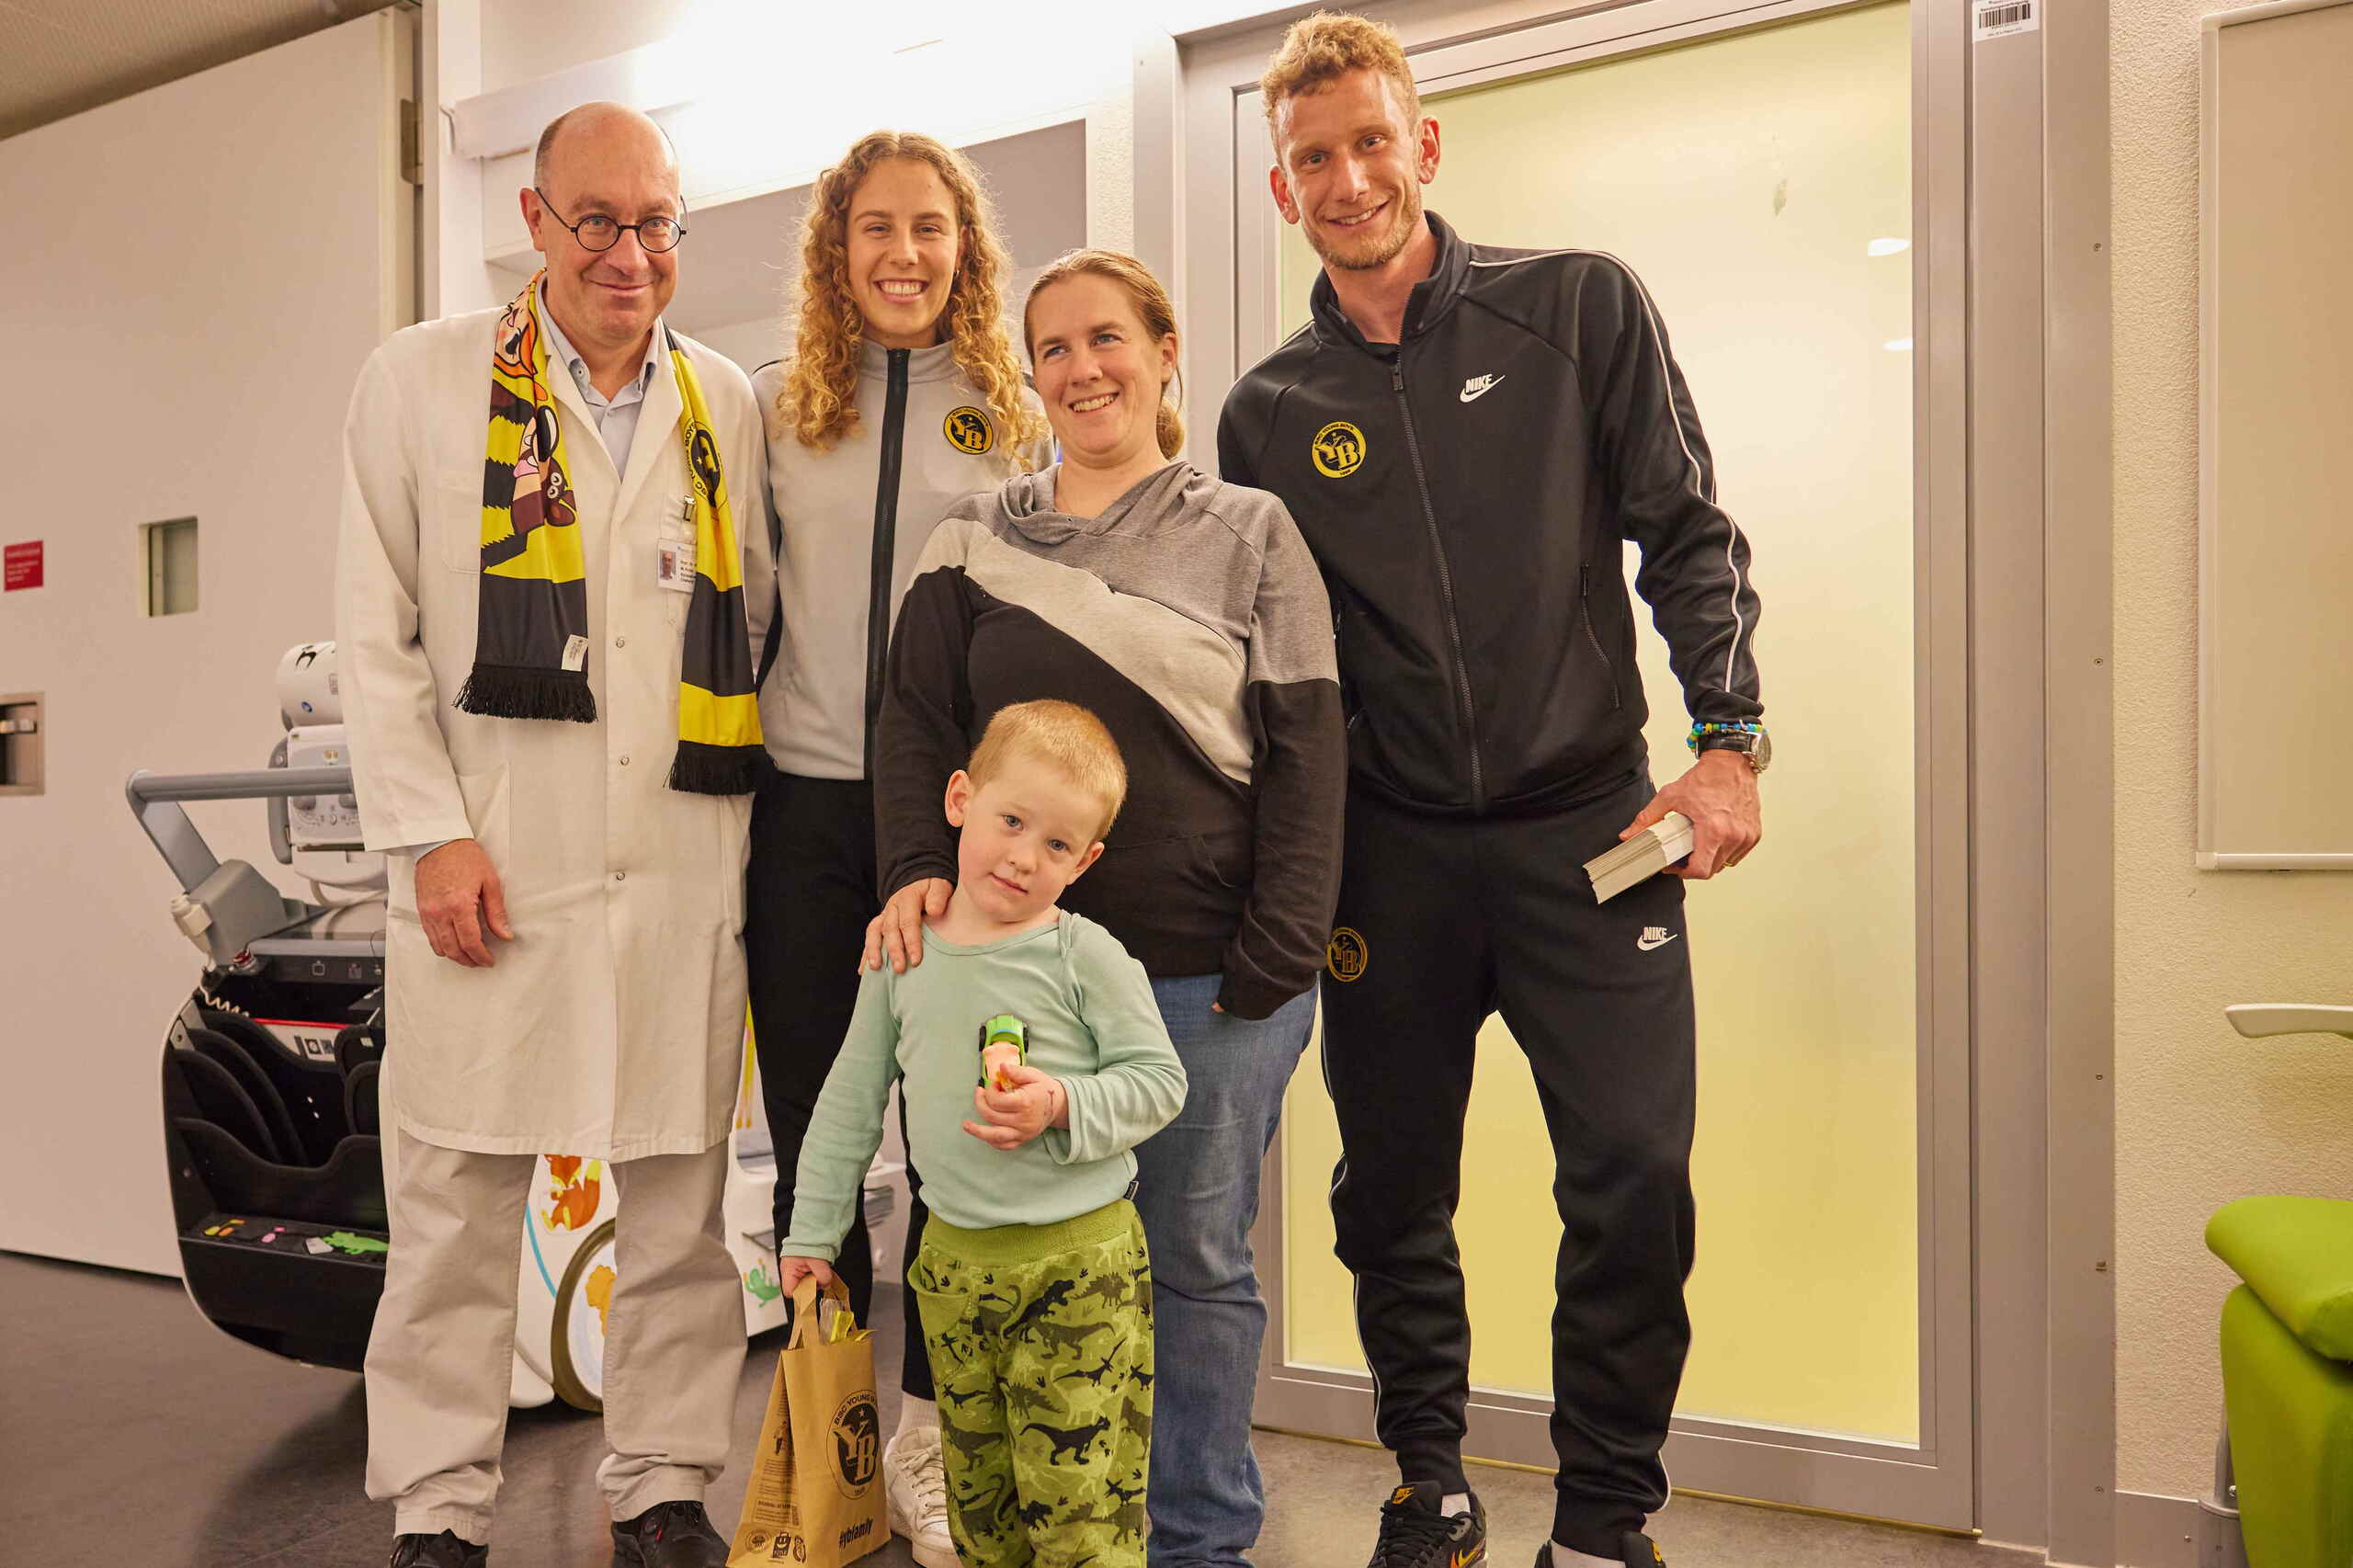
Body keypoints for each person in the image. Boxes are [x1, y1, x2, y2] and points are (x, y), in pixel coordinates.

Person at [1216, 16, 1769, 1568]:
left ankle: (1602, 1517)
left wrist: (1729, 740)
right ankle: (1427, 1477)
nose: (1348, 176)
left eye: (1370, 141)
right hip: (1388, 864)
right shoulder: (1266, 412)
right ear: (1283, 189)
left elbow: (1689, 533)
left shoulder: (1575, 308)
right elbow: (1266, 665)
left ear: (1425, 145)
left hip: (1589, 833)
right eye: (1314, 156)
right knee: (1389, 1187)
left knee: (1635, 1170)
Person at [335, 102, 771, 1568]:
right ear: (534, 222)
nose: (631, 254)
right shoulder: (420, 381)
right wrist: (428, 835)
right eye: (599, 222)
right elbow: (375, 637)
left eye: (657, 224)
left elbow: (753, 627)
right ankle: (441, 1509)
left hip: (675, 871)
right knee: (455, 1214)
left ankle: (658, 1484)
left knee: (677, 1211)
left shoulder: (726, 401)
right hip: (492, 867)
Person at [866, 249, 1347, 1567]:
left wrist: (1279, 954)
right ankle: (1026, 1537)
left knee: (1193, 1267)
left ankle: (1196, 1541)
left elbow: (1310, 751)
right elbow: (913, 725)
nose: (1083, 368)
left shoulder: (1250, 532)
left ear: (1164, 348)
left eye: (1107, 339)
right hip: (1006, 981)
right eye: (1056, 349)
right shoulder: (973, 536)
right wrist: (917, 866)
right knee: (1000, 1252)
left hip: (1207, 983)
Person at [742, 127, 1049, 1568]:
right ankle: (825, 1445)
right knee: (819, 1141)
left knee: (947, 1153)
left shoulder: (1013, 408)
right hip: (803, 811)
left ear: (964, 245)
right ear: (836, 248)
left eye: (929, 227)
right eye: (874, 227)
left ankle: (926, 1444)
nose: (904, 253)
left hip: (944, 822)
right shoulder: (774, 407)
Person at [779, 700, 1182, 1566]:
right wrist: (814, 1233)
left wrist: (1061, 1104)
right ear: (959, 798)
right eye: (1011, 821)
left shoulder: (1088, 957)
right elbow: (847, 1102)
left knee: (1080, 1521)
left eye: (1057, 846)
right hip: (953, 1275)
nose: (1024, 857)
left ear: (1087, 861)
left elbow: (1160, 1083)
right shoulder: (903, 952)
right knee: (980, 1518)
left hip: (1081, 1272)